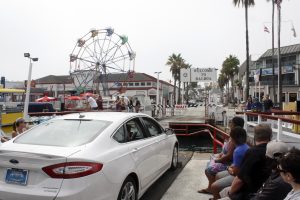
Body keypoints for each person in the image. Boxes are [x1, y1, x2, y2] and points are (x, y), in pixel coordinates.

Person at [220, 124, 272, 200]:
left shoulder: (253, 152)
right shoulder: (272, 151)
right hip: (266, 191)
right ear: (270, 136)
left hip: (250, 193)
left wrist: (230, 193)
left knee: (223, 192)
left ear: (255, 136)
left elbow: (239, 179)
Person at [198, 117, 245, 195]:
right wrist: (220, 155)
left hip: (229, 163)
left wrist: (218, 160)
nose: (230, 124)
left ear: (234, 124)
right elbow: (226, 151)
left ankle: (212, 188)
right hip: (227, 161)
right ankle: (211, 187)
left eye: (231, 122)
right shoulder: (235, 136)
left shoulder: (235, 139)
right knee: (211, 160)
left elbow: (229, 156)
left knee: (209, 170)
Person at [210, 127, 249, 200]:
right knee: (218, 175)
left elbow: (235, 173)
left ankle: (218, 197)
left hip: (240, 177)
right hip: (242, 172)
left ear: (233, 138)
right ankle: (218, 196)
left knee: (214, 187)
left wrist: (228, 168)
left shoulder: (238, 151)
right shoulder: (246, 147)